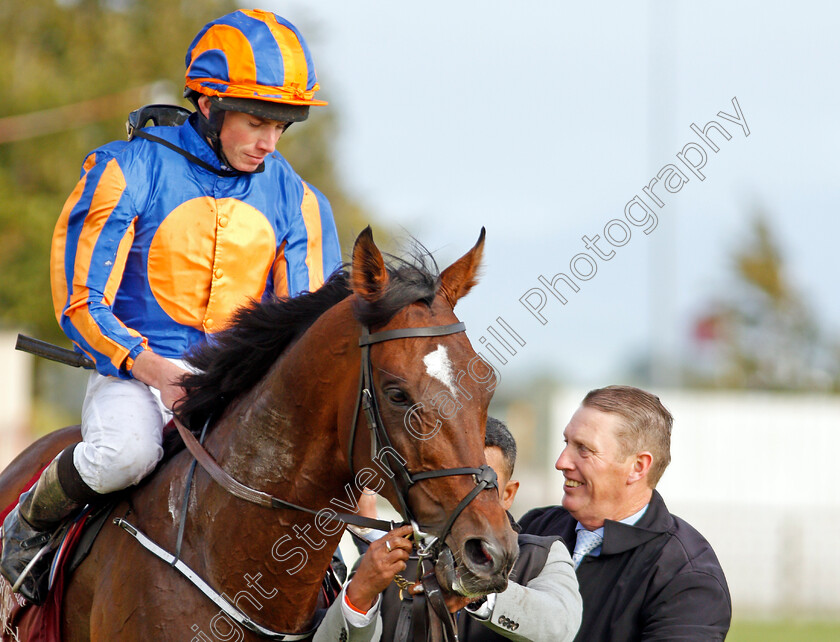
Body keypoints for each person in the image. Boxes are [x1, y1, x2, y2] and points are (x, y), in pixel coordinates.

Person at [1, 9, 340, 604]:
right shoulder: (124, 169)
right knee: (125, 454)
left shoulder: (301, 202)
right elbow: (80, 302)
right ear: (208, 106)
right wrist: (155, 369)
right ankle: (25, 526)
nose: (269, 142)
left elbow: (307, 331)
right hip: (132, 377)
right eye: (257, 121)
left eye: (283, 126)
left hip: (237, 390)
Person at [519, 385, 732, 641]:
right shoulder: (535, 528)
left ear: (638, 467)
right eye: (567, 443)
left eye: (584, 449)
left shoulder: (686, 577)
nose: (562, 462)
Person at [342, 417, 582, 642]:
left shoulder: (541, 555)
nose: (464, 496)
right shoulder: (383, 560)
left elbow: (561, 627)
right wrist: (359, 597)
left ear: (508, 494)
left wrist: (477, 594)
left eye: (483, 483)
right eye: (453, 480)